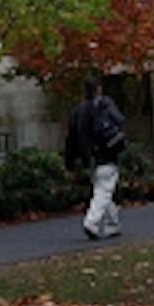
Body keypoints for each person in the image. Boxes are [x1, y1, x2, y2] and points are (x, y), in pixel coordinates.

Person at [64, 76, 126, 240]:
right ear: (99, 88)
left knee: (102, 188)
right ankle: (91, 222)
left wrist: (70, 164)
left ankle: (113, 224)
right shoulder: (104, 107)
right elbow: (120, 123)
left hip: (88, 159)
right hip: (106, 156)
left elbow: (70, 139)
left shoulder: (77, 111)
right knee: (104, 190)